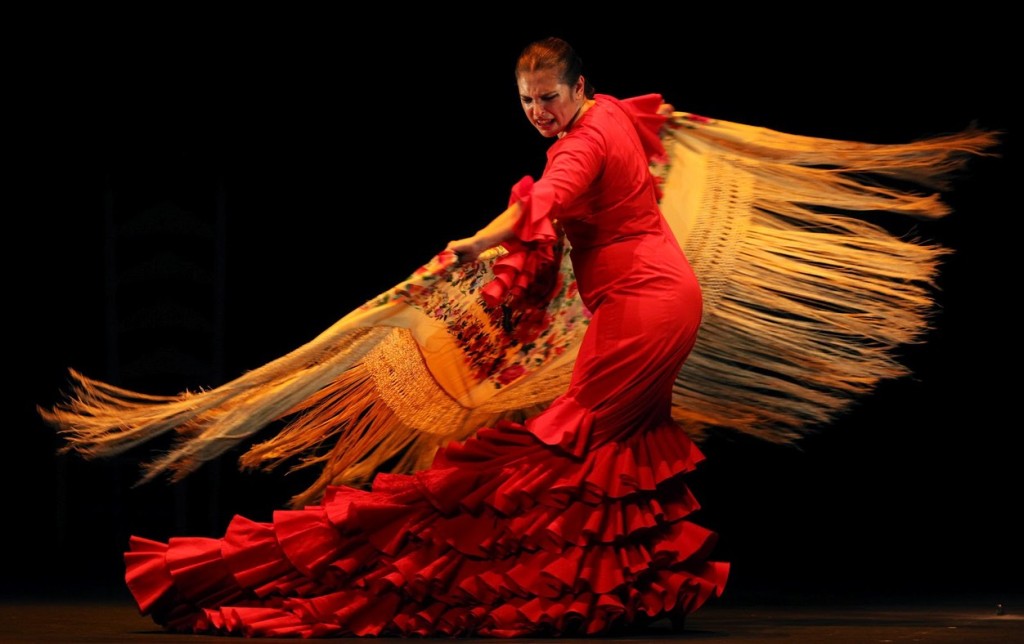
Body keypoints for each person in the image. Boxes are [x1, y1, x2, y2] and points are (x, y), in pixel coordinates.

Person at [39, 37, 997, 638]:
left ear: (580, 87)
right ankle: (613, 591)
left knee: (546, 458)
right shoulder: (615, 115)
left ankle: (495, 579)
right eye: (527, 101)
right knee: (607, 452)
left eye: (550, 96)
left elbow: (547, 202)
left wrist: (482, 241)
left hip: (643, 310)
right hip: (659, 303)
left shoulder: (583, 141)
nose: (540, 112)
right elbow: (625, 145)